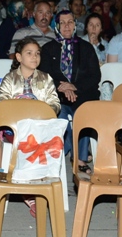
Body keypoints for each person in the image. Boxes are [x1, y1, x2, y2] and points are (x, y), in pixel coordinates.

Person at [0, 37, 60, 214]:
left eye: (37, 53)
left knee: (41, 142)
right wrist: (20, 106)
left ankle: (39, 186)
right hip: (15, 128)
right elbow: (2, 102)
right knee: (26, 142)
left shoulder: (45, 78)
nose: (34, 57)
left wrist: (40, 108)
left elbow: (55, 103)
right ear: (19, 57)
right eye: (29, 53)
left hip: (39, 126)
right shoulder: (10, 79)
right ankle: (30, 195)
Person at [41, 9, 101, 169]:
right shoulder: (48, 48)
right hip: (57, 95)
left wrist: (74, 87)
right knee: (59, 116)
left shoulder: (86, 48)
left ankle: (79, 159)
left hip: (83, 94)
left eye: (70, 22)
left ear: (75, 25)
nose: (66, 26)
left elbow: (95, 76)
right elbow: (43, 75)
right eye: (62, 23)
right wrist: (61, 87)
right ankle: (69, 151)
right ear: (56, 26)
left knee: (83, 115)